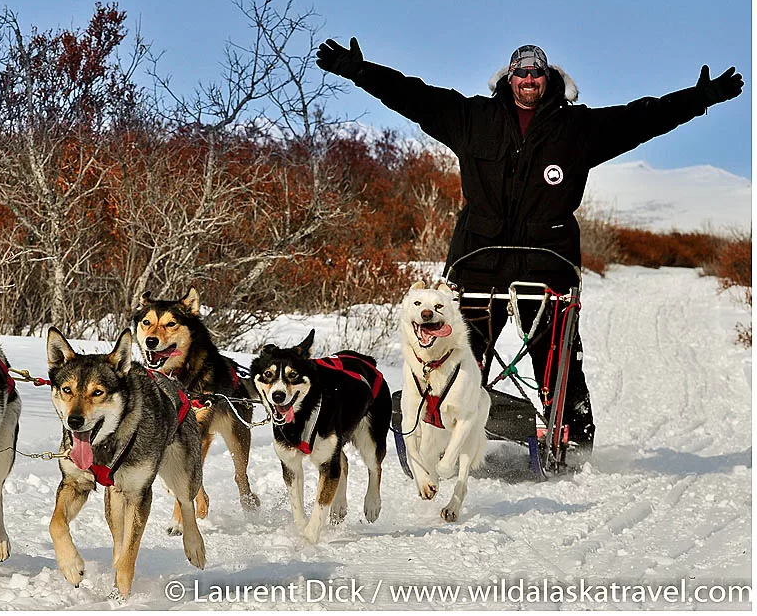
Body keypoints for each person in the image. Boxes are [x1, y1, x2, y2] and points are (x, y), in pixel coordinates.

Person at [317, 39, 744, 462]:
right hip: (478, 262)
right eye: (520, 73)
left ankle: (573, 439)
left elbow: (641, 119)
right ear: (508, 78)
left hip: (547, 263)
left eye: (536, 74)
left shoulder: (576, 129)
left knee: (557, 358)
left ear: (549, 79)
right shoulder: (472, 118)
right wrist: (360, 71)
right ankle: (440, 433)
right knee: (453, 353)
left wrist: (700, 98)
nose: (528, 80)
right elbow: (413, 95)